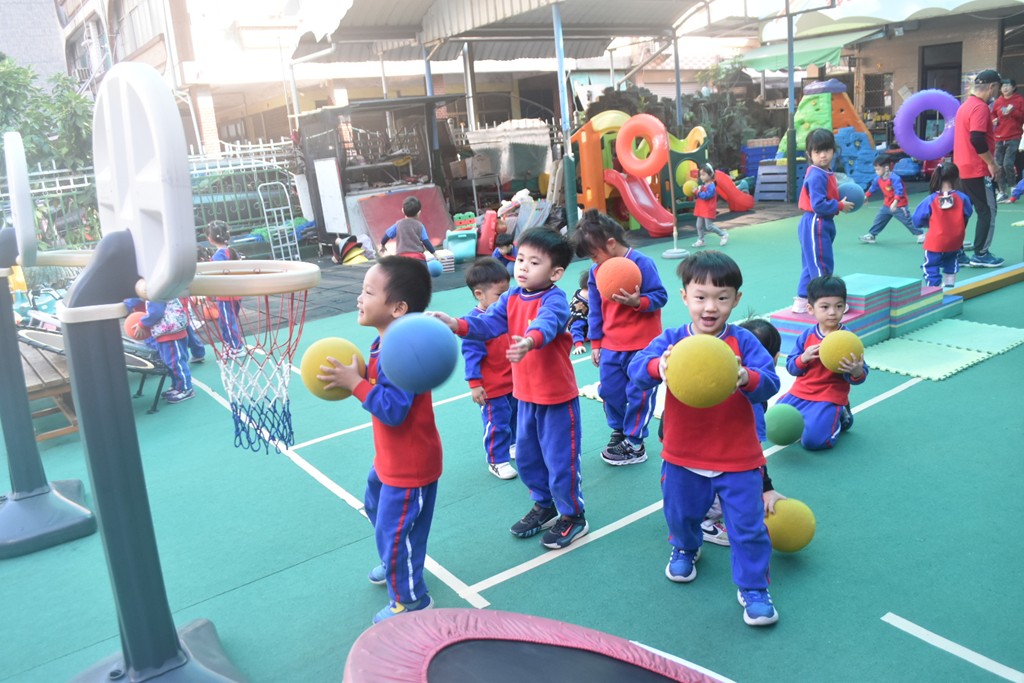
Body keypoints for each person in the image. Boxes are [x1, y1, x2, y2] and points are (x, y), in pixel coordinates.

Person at [627, 250, 781, 626]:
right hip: (683, 455)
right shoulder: (672, 341)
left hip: (738, 458)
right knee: (680, 514)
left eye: (722, 297)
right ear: (685, 297)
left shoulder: (744, 342)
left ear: (736, 299)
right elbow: (636, 370)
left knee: (747, 527)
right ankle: (685, 548)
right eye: (701, 297)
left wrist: (746, 377)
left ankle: (754, 588)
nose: (710, 307)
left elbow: (771, 382)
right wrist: (659, 366)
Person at [431, 227, 588, 550]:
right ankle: (544, 505)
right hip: (525, 397)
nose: (523, 267)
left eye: (534, 262)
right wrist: (457, 324)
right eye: (521, 259)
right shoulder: (511, 298)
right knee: (528, 458)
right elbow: (488, 323)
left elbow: (547, 322)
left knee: (561, 461)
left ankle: (574, 517)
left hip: (557, 399)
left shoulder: (555, 299)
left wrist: (529, 341)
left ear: (556, 273)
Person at [316, 256, 441, 623]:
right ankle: (396, 560)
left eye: (369, 292)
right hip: (390, 459)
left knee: (396, 530)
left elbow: (393, 410)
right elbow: (383, 392)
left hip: (411, 466)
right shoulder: (381, 343)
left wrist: (356, 384)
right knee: (377, 509)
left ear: (398, 308)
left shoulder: (402, 352)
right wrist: (362, 378)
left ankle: (411, 600)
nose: (360, 298)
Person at [572, 209, 667, 466]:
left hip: (644, 346)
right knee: (610, 391)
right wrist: (596, 343)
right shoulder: (597, 272)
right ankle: (619, 429)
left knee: (639, 393)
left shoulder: (642, 263)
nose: (593, 261)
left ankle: (635, 442)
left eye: (594, 255)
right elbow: (595, 309)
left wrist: (639, 302)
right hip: (612, 346)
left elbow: (660, 296)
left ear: (611, 243)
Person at [701, 318, 787, 548]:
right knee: (738, 494)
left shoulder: (711, 380)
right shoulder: (752, 404)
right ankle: (704, 522)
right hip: (707, 469)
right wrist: (766, 488)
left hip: (685, 461)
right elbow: (753, 452)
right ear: (775, 359)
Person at [777, 276, 868, 450]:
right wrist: (803, 358)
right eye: (825, 307)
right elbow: (791, 367)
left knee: (812, 442)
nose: (832, 312)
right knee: (776, 424)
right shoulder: (806, 336)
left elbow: (860, 375)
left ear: (845, 307)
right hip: (800, 393)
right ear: (811, 309)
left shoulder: (848, 340)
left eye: (839, 306)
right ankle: (816, 419)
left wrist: (856, 371)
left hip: (828, 396)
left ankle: (840, 416)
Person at [461, 257, 518, 480]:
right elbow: (471, 356)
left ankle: (512, 445)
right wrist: (475, 384)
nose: (506, 299)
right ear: (479, 294)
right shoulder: (474, 323)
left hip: (513, 381)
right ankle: (497, 460)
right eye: (500, 295)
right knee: (497, 423)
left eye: (508, 293)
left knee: (515, 416)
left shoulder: (506, 315)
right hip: (492, 388)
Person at [793, 128, 854, 314]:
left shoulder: (824, 171)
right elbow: (818, 204)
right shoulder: (817, 174)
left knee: (811, 263)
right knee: (821, 263)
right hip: (816, 221)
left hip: (819, 222)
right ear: (809, 154)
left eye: (826, 150)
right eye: (817, 151)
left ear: (834, 150)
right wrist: (839, 205)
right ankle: (827, 302)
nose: (823, 155)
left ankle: (802, 299)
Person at [953, 69, 1005, 268]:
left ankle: (957, 252)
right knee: (987, 210)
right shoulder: (980, 108)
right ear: (992, 86)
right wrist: (991, 163)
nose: (998, 92)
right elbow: (976, 138)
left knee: (963, 211)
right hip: (977, 169)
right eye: (998, 88)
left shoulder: (964, 106)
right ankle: (981, 253)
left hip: (961, 168)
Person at [913, 163, 973, 290]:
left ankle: (933, 290)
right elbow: (968, 213)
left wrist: (927, 223)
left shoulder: (931, 199)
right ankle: (950, 287)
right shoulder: (963, 198)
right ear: (956, 177)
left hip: (935, 241)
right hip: (955, 241)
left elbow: (917, 219)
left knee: (930, 266)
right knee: (951, 262)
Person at [124, 297, 194, 404]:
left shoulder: (156, 293)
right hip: (166, 331)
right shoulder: (154, 292)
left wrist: (142, 324)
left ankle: (185, 388)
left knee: (175, 363)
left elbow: (156, 312)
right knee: (169, 362)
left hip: (170, 333)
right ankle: (177, 386)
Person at [859, 154, 925, 244]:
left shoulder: (895, 178)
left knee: (907, 221)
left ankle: (920, 234)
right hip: (887, 205)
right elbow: (872, 188)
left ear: (886, 168)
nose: (876, 172)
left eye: (878, 169)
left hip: (899, 205)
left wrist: (895, 202)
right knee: (879, 220)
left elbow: (899, 190)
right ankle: (872, 235)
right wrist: (866, 197)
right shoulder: (878, 179)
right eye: (875, 170)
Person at [206, 220, 244, 356]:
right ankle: (229, 344)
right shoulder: (232, 252)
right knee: (228, 320)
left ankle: (237, 347)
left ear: (210, 239)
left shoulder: (218, 256)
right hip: (236, 292)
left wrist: (210, 294)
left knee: (227, 321)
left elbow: (216, 276)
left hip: (225, 294)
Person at [992, 78, 1024, 200]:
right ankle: (1001, 191)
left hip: (1014, 136)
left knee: (1008, 164)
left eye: (1008, 85)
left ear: (1014, 87)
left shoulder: (1019, 100)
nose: (1005, 88)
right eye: (1003, 86)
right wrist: (994, 120)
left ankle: (1012, 186)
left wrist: (1013, 111)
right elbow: (993, 114)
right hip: (999, 136)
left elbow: (1022, 117)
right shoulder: (998, 101)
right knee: (998, 165)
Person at [379, 196, 437, 260]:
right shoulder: (420, 226)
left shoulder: (398, 224)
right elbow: (426, 242)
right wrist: (435, 254)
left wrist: (382, 245)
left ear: (402, 210)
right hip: (417, 257)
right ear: (419, 212)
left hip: (402, 258)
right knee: (422, 266)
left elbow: (387, 235)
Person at [692, 163, 729, 247]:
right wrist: (696, 192)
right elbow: (698, 196)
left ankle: (723, 234)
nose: (701, 177)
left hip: (707, 209)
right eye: (700, 175)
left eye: (703, 175)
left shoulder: (711, 186)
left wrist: (697, 192)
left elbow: (706, 196)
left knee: (709, 226)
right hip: (701, 209)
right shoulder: (702, 186)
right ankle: (701, 240)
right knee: (699, 225)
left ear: (710, 175)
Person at [568, 270, 590, 355]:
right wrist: (578, 344)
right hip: (586, 333)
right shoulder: (580, 310)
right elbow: (575, 327)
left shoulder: (580, 292)